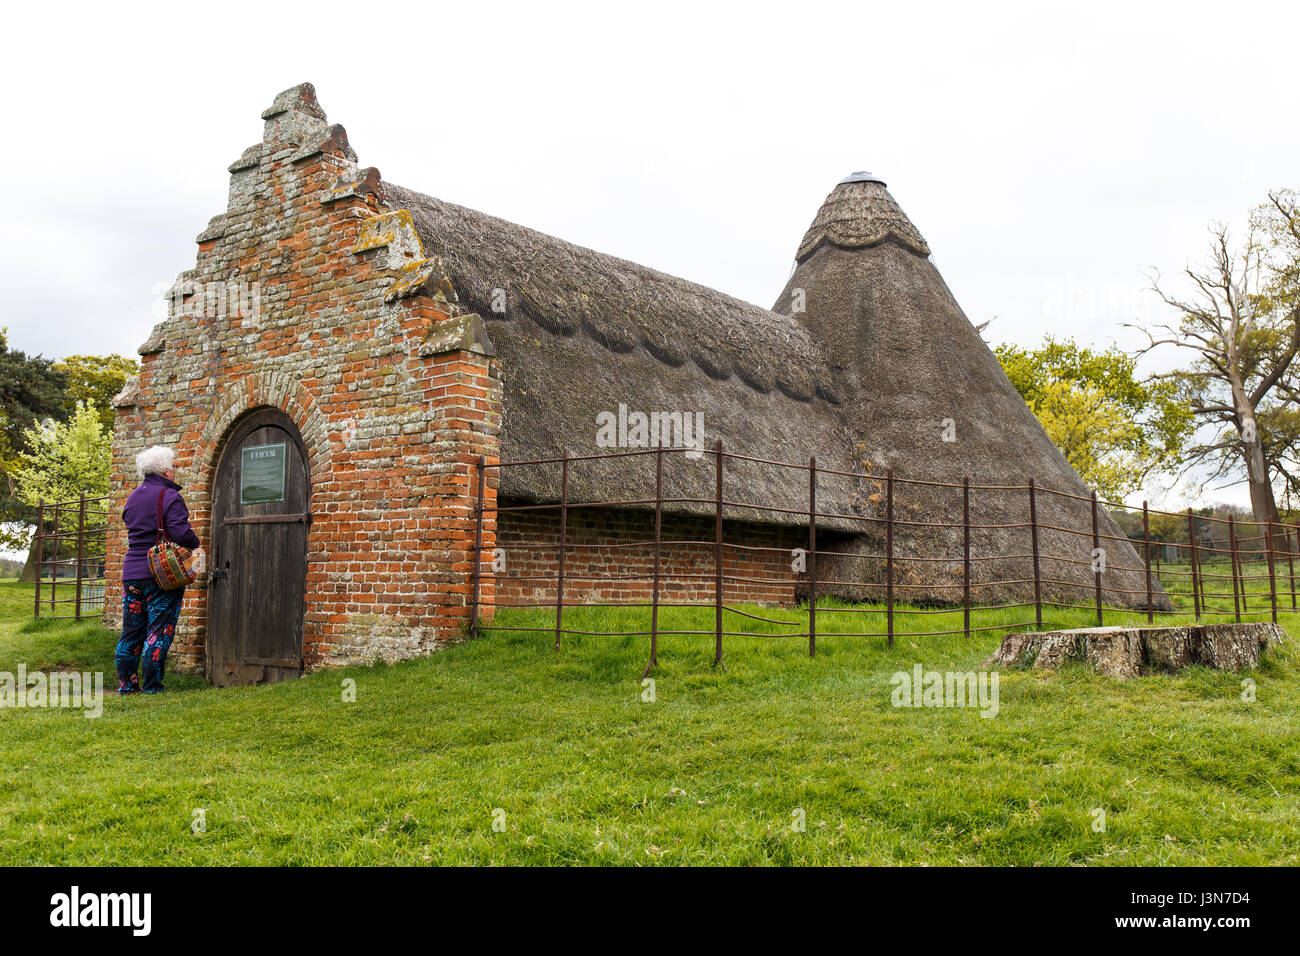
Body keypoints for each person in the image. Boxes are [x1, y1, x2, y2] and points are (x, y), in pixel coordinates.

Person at [116, 445, 201, 694]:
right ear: (165, 470)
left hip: (131, 572)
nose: (174, 470)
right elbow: (179, 532)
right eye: (173, 466)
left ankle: (127, 686)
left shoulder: (132, 497)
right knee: (158, 630)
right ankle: (152, 687)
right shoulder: (169, 496)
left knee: (131, 632)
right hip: (160, 574)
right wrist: (195, 545)